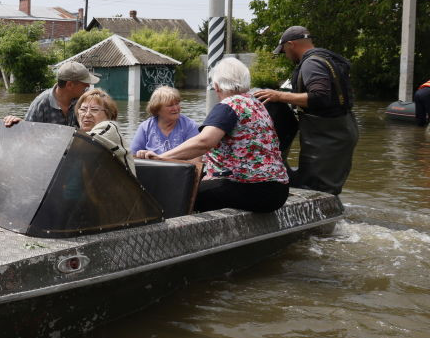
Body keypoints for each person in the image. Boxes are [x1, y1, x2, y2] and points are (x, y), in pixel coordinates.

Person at [142, 57, 289, 213]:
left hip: (254, 189)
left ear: (217, 86)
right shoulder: (256, 103)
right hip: (278, 190)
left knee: (179, 191)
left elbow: (204, 142)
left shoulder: (229, 106)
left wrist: (162, 158)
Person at [254, 26, 358, 195]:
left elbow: (320, 97)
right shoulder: (326, 58)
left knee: (317, 189)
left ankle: (325, 220)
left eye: (284, 51)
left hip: (328, 136)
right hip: (340, 130)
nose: (286, 56)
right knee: (322, 185)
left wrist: (279, 96)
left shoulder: (311, 63)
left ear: (291, 45)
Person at [3, 62, 100, 127]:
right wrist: (20, 123)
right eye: (84, 82)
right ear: (70, 85)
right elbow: (29, 132)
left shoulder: (82, 101)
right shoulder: (41, 103)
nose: (88, 85)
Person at [74, 88, 135, 175]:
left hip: (122, 187)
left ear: (109, 114)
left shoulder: (109, 127)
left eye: (94, 110)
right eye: (83, 109)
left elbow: (84, 142)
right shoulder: (81, 134)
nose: (87, 114)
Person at [130, 85, 200, 156]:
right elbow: (131, 157)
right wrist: (140, 155)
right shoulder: (145, 127)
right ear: (157, 109)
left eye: (177, 103)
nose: (176, 108)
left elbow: (195, 161)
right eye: (170, 105)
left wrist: (159, 158)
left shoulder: (191, 126)